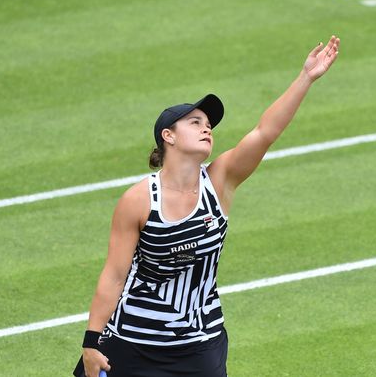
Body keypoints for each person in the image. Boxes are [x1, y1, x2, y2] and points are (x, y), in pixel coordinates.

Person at [74, 35, 341, 377]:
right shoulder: (138, 200)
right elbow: (114, 274)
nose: (207, 129)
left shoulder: (220, 182)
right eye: (195, 123)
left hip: (200, 344)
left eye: (209, 125)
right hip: (131, 341)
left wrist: (305, 77)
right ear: (168, 136)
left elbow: (264, 132)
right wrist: (91, 341)